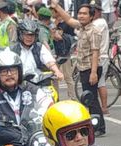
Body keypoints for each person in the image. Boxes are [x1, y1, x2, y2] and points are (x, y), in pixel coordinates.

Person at [50, 1, 105, 135]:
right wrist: (57, 6)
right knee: (89, 97)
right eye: (80, 13)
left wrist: (93, 73)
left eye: (84, 14)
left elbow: (95, 52)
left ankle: (99, 126)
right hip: (83, 68)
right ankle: (95, 124)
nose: (81, 16)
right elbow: (68, 19)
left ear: (91, 16)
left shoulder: (94, 31)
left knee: (91, 98)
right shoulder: (82, 27)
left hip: (91, 68)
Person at [0, 49, 53, 125]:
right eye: (4, 71)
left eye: (13, 70)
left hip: (32, 133)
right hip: (6, 135)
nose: (9, 74)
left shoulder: (30, 88)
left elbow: (47, 103)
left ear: (19, 72)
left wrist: (45, 112)